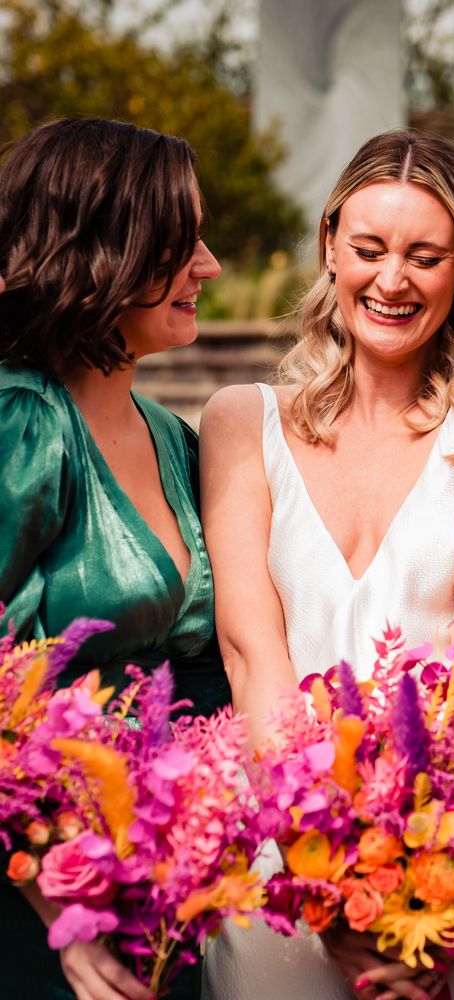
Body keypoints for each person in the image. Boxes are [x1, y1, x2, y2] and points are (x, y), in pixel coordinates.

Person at [200, 131, 454, 1000]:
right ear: (330, 245)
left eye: (425, 257)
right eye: (368, 249)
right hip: (284, 844)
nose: (392, 280)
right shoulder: (241, 420)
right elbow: (251, 652)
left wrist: (412, 877)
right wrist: (325, 869)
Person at [0, 118, 228, 999]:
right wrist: (59, 901)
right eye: (181, 243)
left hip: (154, 890)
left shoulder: (175, 439)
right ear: (103, 254)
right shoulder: (22, 425)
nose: (209, 266)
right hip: (39, 910)